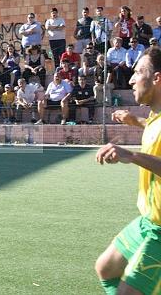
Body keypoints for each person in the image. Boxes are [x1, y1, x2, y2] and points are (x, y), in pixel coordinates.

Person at [94, 47, 161, 295]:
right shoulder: (154, 116)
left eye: (137, 72)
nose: (131, 79)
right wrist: (135, 121)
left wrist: (131, 155)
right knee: (106, 268)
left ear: (157, 78)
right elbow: (153, 125)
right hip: (149, 221)